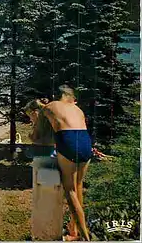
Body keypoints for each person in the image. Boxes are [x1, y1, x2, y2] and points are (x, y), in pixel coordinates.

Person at [40, 85, 92, 241]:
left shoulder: (50, 106)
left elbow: (40, 132)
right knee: (79, 187)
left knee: (70, 191)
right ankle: (74, 230)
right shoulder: (78, 110)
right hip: (85, 141)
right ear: (71, 98)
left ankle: (85, 237)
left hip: (68, 141)